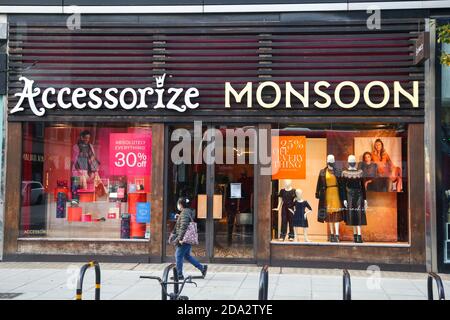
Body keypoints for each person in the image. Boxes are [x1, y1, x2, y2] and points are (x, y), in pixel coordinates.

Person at [172, 197, 208, 280]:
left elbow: (184, 226)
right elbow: (185, 222)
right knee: (187, 256)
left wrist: (180, 239)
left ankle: (179, 275)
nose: (178, 205)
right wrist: (179, 217)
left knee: (178, 256)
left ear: (181, 204)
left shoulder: (184, 213)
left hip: (184, 238)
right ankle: (202, 268)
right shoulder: (186, 212)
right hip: (187, 238)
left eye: (178, 203)